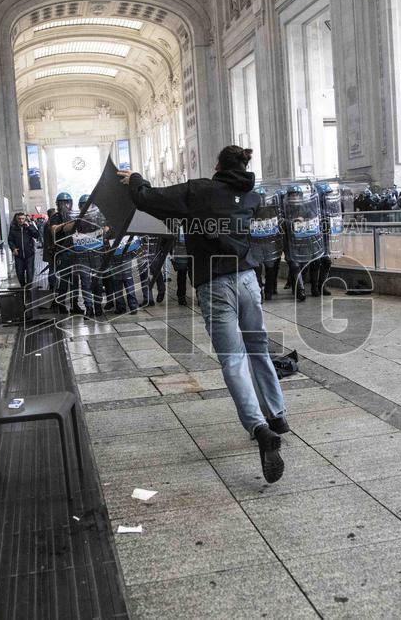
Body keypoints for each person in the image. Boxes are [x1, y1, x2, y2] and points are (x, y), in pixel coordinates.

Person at [120, 146, 288, 483]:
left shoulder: (198, 190)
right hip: (248, 280)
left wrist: (134, 178)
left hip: (215, 284)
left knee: (233, 360)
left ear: (217, 164)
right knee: (258, 348)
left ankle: (260, 429)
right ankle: (278, 416)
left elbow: (147, 198)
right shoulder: (252, 197)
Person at [47, 192, 78, 313]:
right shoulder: (56, 216)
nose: (65, 205)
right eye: (62, 203)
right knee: (64, 281)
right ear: (58, 204)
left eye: (67, 202)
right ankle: (62, 305)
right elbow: (53, 229)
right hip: (62, 252)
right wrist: (68, 225)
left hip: (74, 252)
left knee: (75, 281)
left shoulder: (73, 216)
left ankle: (75, 305)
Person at [7, 212, 40, 287]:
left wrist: (29, 227)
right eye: (19, 219)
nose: (21, 220)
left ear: (25, 219)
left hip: (29, 254)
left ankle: (28, 289)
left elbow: (37, 235)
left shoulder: (29, 226)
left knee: (30, 273)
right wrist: (13, 248)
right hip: (19, 255)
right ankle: (23, 286)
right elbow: (10, 240)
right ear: (16, 219)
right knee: (19, 273)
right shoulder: (13, 228)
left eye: (22, 219)